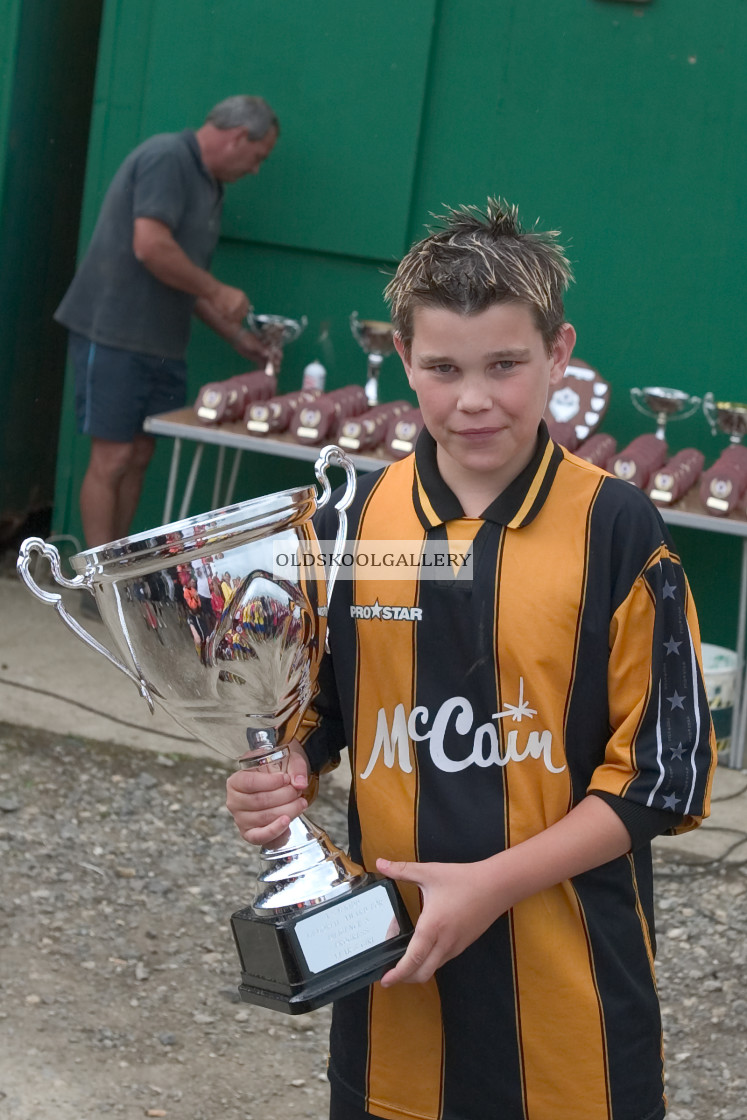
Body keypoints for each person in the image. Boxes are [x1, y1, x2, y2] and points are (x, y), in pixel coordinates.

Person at [225, 200, 717, 1120]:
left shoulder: (616, 526)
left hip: (571, 1004)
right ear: (405, 359)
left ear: (558, 353)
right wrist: (284, 766)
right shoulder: (351, 524)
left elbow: (662, 776)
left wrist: (490, 885)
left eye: (505, 365)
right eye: (443, 369)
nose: (474, 398)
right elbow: (321, 709)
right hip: (396, 985)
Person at [55, 94, 280, 549]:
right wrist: (219, 291)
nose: (256, 170)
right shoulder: (166, 157)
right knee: (113, 456)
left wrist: (238, 338)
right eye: (257, 157)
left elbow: (185, 280)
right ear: (238, 137)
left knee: (139, 455)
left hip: (162, 343)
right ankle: (102, 585)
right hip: (113, 331)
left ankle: (122, 570)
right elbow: (151, 246)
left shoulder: (211, 185)